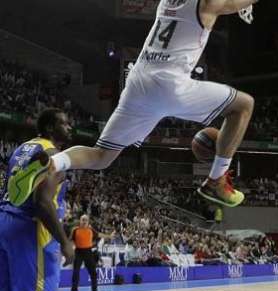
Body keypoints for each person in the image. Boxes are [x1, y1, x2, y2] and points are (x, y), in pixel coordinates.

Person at [8, 0, 262, 209]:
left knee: (101, 156)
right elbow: (228, 4)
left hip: (138, 82)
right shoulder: (206, 5)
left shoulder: (169, 2)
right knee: (243, 105)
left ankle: (51, 163)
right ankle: (216, 180)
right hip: (169, 85)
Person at [0, 108, 75, 291]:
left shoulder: (22, 149)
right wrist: (65, 241)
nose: (70, 128)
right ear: (50, 127)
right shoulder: (54, 156)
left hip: (5, 221)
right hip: (29, 230)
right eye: (65, 123)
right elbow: (42, 202)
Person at [70, 215, 115, 291]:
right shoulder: (75, 230)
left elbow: (99, 235)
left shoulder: (91, 230)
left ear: (88, 222)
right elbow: (71, 240)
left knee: (93, 272)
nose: (84, 221)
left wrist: (109, 236)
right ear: (80, 221)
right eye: (83, 220)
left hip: (88, 252)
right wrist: (72, 247)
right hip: (78, 252)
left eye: (86, 220)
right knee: (76, 272)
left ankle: (94, 289)